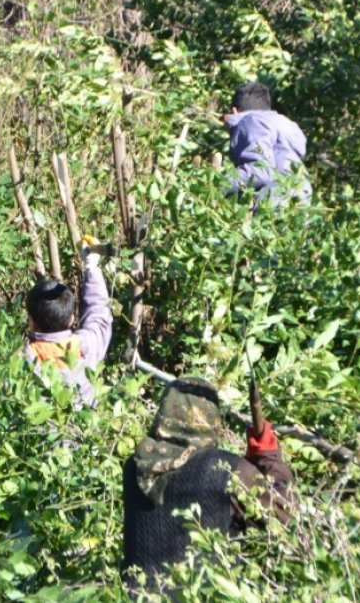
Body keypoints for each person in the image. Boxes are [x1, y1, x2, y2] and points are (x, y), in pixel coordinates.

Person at [122, 377, 293, 585]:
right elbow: (286, 514)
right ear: (210, 418)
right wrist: (267, 454)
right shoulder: (223, 467)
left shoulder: (134, 466)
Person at [22, 241, 113, 408]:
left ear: (32, 323)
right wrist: (91, 266)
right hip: (85, 431)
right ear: (72, 319)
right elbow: (98, 315)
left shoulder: (25, 358)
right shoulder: (86, 345)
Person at [224, 81, 312, 207]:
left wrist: (219, 183)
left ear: (235, 111)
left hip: (274, 202)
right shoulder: (283, 125)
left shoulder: (250, 121)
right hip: (299, 200)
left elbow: (261, 170)